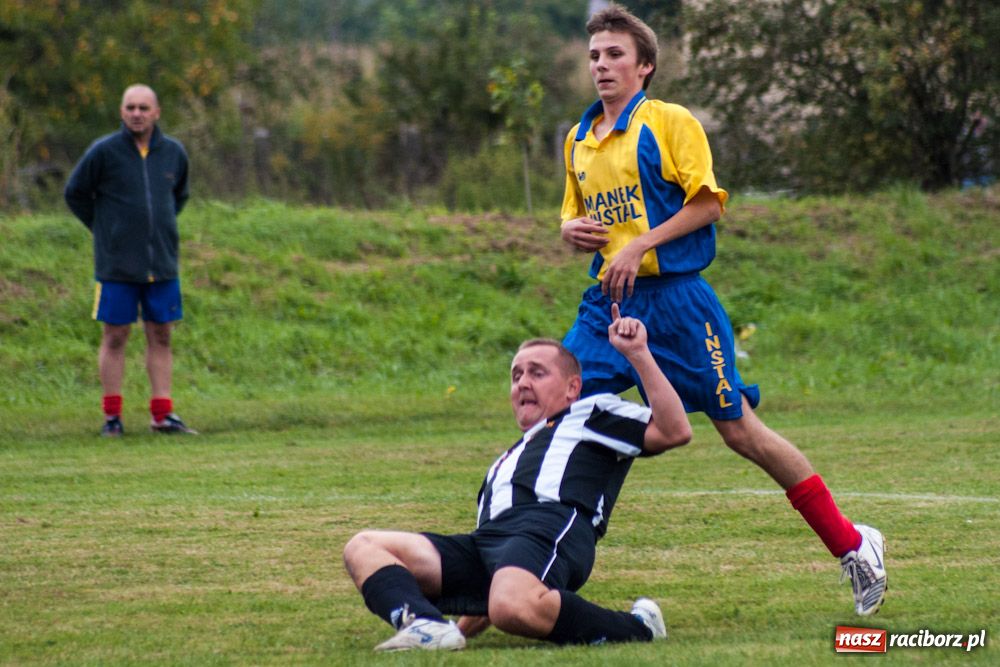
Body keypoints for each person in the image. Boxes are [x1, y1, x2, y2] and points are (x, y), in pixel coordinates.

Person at [558, 4, 886, 616]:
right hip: (607, 305)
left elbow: (708, 205)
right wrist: (569, 230)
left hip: (678, 305)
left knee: (738, 431)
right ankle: (537, 559)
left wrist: (642, 243)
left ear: (644, 66)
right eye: (595, 55)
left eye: (615, 54)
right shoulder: (578, 140)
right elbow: (575, 214)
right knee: (561, 412)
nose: (601, 65)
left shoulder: (669, 122)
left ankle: (852, 545)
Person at [343, 305, 692, 651]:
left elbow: (675, 430)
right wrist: (463, 630)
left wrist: (638, 354)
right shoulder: (507, 459)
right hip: (487, 541)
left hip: (548, 525)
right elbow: (503, 566)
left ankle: (639, 626)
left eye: (537, 373)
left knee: (511, 605)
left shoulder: (590, 412)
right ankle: (425, 625)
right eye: (516, 375)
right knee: (364, 546)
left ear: (572, 387)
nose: (523, 382)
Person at [65, 84, 196, 436]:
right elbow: (75, 193)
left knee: (161, 334)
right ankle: (112, 418)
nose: (137, 114)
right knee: (115, 336)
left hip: (162, 263)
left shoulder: (173, 153)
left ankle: (162, 415)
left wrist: (158, 227)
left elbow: (178, 196)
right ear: (122, 112)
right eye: (130, 107)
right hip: (117, 265)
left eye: (143, 108)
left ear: (156, 112)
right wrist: (105, 228)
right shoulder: (103, 152)